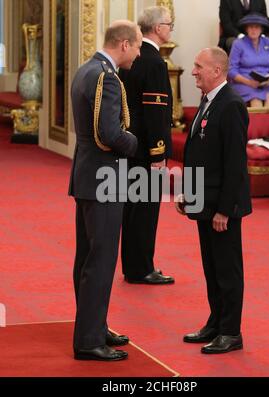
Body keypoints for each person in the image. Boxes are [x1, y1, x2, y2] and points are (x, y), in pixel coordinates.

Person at [68, 20, 142, 361]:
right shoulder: (106, 78)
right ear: (124, 44)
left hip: (86, 175)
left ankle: (94, 326)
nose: (139, 53)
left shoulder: (86, 69)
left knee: (87, 257)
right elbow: (111, 133)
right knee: (100, 260)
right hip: (105, 179)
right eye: (138, 46)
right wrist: (134, 143)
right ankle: (89, 340)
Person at [176, 47, 252, 354]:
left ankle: (231, 332)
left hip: (223, 207)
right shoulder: (208, 102)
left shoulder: (231, 105)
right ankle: (216, 322)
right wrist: (187, 193)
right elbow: (199, 155)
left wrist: (224, 210)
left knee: (227, 269)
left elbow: (235, 163)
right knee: (211, 267)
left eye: (198, 66)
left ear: (216, 71)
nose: (193, 71)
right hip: (203, 201)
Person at [119, 6, 174, 285]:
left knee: (133, 207)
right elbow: (155, 112)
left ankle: (133, 264)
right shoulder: (154, 62)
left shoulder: (132, 58)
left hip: (130, 145)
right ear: (157, 28)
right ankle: (141, 268)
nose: (170, 28)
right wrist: (158, 152)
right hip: (146, 150)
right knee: (145, 210)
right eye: (169, 24)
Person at [228, 13, 269, 107]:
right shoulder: (238, 44)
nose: (253, 30)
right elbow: (231, 70)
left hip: (266, 84)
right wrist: (249, 82)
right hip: (244, 84)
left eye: (256, 27)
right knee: (256, 102)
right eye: (250, 27)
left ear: (261, 29)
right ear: (246, 29)